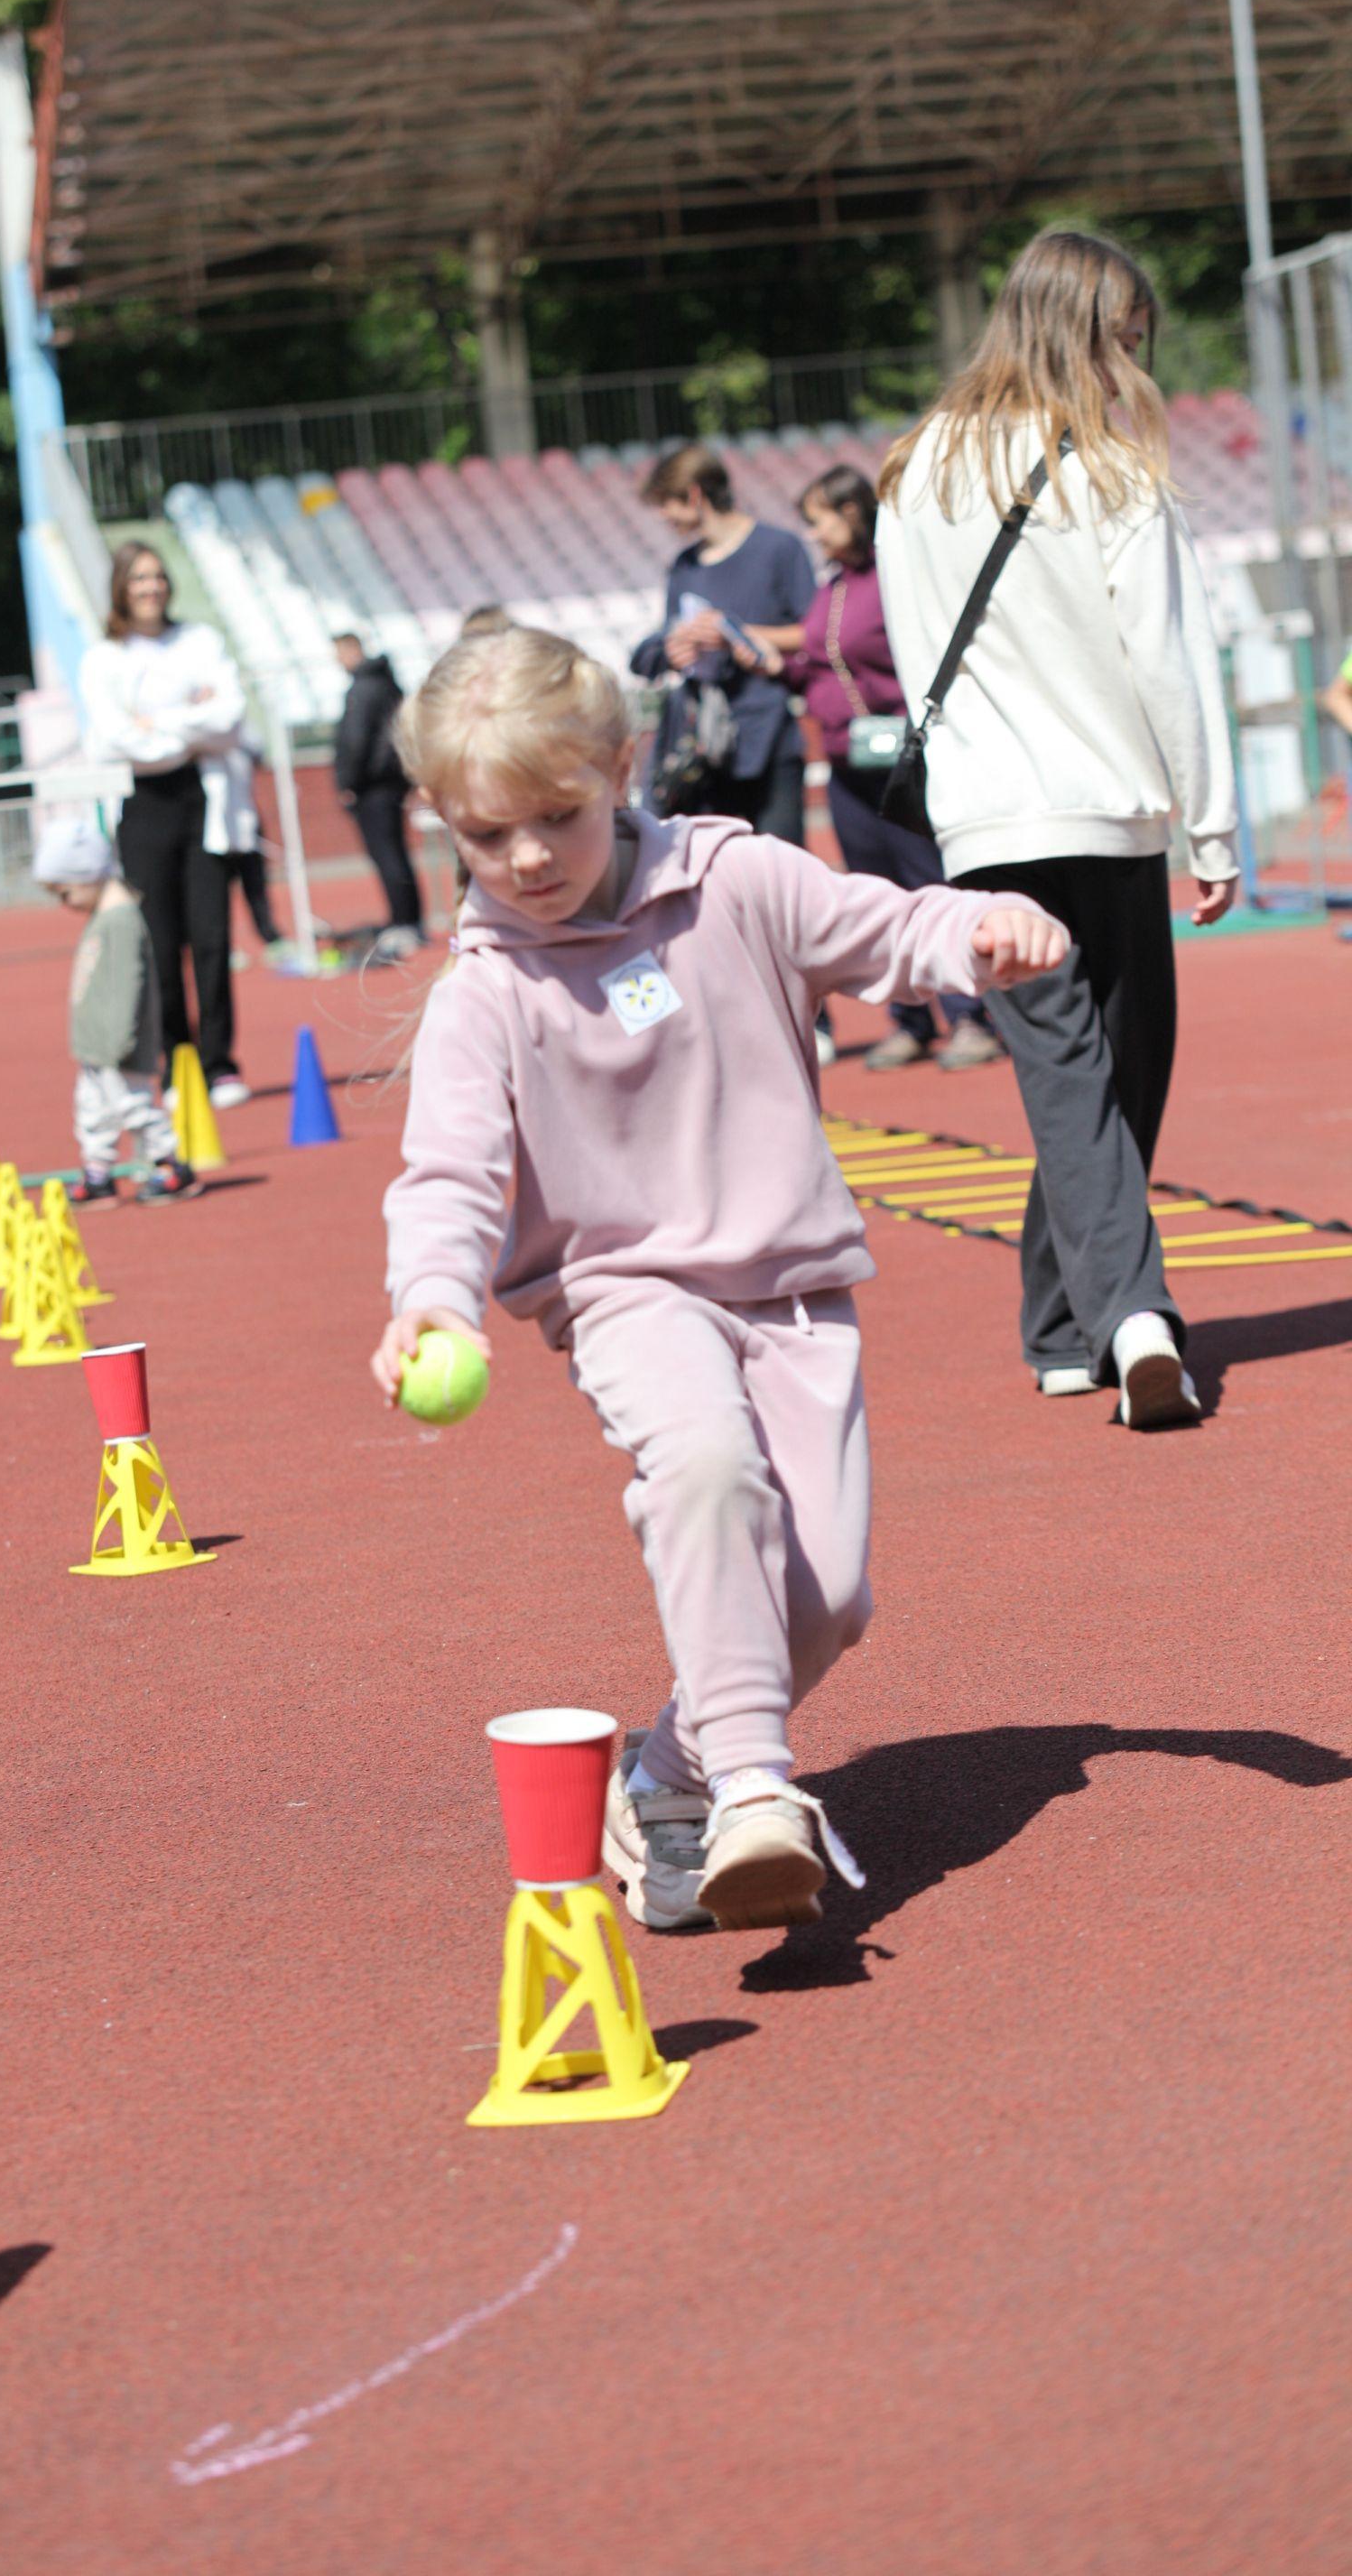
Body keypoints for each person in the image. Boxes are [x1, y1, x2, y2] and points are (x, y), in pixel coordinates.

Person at [371, 626, 1063, 1933]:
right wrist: (431, 1298)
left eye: (557, 818)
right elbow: (450, 1175)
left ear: (622, 767)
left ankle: (668, 1774)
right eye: (485, 834)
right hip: (624, 1289)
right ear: (442, 827)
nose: (526, 859)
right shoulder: (483, 994)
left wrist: (982, 925)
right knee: (703, 1473)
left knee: (830, 1600)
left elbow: (887, 927)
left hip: (792, 1287)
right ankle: (754, 1790)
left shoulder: (734, 881)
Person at [877, 227, 1240, 1426]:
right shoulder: (1111, 467)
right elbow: (1172, 660)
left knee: (1074, 1081)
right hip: (1107, 814)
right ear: (1095, 334)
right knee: (1114, 1079)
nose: (1138, 365)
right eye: (1129, 340)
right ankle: (1139, 1322)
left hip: (986, 827)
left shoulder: (913, 470)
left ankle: (1061, 1326)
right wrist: (1216, 829)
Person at [732, 463, 1002, 1072]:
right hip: (847, 758)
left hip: (900, 757)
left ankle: (970, 1017)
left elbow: (915, 660)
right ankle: (910, 1018)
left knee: (928, 881)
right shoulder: (833, 587)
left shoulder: (896, 577)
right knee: (874, 891)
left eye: (819, 521)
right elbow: (822, 664)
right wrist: (776, 667)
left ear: (851, 513)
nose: (813, 535)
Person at [79, 542, 253, 1110]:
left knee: (211, 936)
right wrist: (189, 724)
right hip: (143, 805)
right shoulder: (103, 658)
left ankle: (220, 1062)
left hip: (201, 799)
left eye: (157, 577)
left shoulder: (199, 642)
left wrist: (161, 723)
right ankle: (178, 1063)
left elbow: (229, 717)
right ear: (122, 589)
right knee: (158, 943)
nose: (150, 588)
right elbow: (111, 739)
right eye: (139, 579)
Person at [630, 444, 817, 839]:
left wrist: (733, 631)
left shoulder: (778, 549)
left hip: (769, 739)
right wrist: (678, 648)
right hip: (705, 748)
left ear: (694, 495)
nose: (664, 517)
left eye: (667, 504)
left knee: (781, 867)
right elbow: (671, 633)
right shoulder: (685, 566)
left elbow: (813, 634)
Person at [32, 820, 198, 1205]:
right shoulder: (103, 918)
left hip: (118, 1047)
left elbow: (128, 982)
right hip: (96, 1047)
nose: (64, 903)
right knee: (92, 1112)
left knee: (135, 1108)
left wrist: (120, 1037)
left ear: (87, 877)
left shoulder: (121, 921)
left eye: (64, 892)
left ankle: (171, 1165)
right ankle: (98, 1174)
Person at [333, 633, 424, 954]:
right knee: (397, 853)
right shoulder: (389, 684)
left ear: (352, 650)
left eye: (339, 653)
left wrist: (348, 782)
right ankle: (411, 920)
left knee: (386, 855)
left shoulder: (363, 689)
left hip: (372, 787)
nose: (337, 660)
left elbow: (356, 740)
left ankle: (403, 923)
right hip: (392, 781)